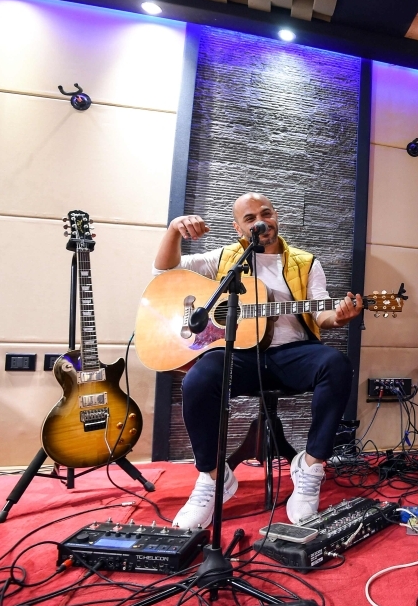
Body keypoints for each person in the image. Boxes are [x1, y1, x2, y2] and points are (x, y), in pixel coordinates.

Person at [154, 193, 362, 528]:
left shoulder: (305, 262)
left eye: (266, 213)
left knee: (335, 364)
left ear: (276, 216)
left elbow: (321, 313)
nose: (261, 221)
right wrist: (175, 230)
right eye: (250, 218)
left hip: (290, 355)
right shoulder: (224, 259)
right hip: (238, 356)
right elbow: (163, 272)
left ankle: (310, 467)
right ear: (239, 228)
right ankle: (213, 477)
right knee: (197, 379)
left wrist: (338, 316)